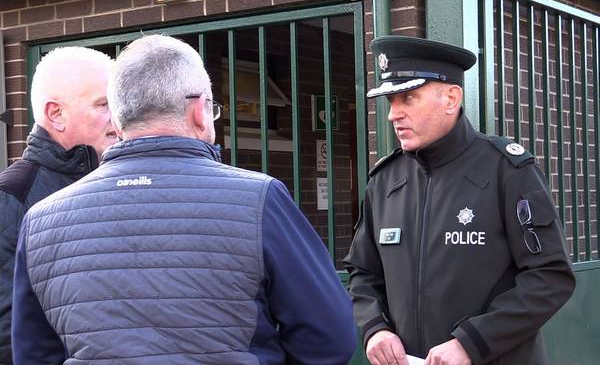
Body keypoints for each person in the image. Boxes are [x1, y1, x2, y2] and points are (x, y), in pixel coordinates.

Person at [11, 34, 356, 364]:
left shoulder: (41, 218)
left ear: (117, 119)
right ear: (197, 111)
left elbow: (33, 352)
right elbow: (330, 337)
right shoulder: (260, 199)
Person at [344, 35, 575, 365]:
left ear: (451, 98)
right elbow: (363, 271)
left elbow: (550, 277)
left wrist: (473, 342)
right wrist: (374, 328)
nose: (394, 114)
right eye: (391, 101)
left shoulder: (506, 171)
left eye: (408, 97)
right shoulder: (385, 181)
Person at [0, 46, 116, 364]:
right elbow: (7, 334)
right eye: (104, 105)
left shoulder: (122, 184)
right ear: (56, 114)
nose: (118, 117)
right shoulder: (12, 196)